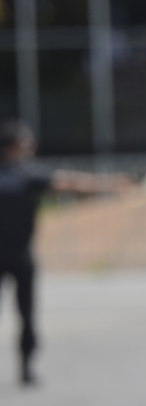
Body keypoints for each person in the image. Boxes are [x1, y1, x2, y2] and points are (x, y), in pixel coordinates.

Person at [0, 120, 131, 384]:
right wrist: (110, 184)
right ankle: (26, 369)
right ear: (13, 146)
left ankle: (26, 366)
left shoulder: (28, 173)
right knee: (26, 313)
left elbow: (67, 182)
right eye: (25, 143)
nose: (30, 147)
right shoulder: (27, 174)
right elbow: (71, 183)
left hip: (21, 253)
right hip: (19, 254)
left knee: (26, 314)